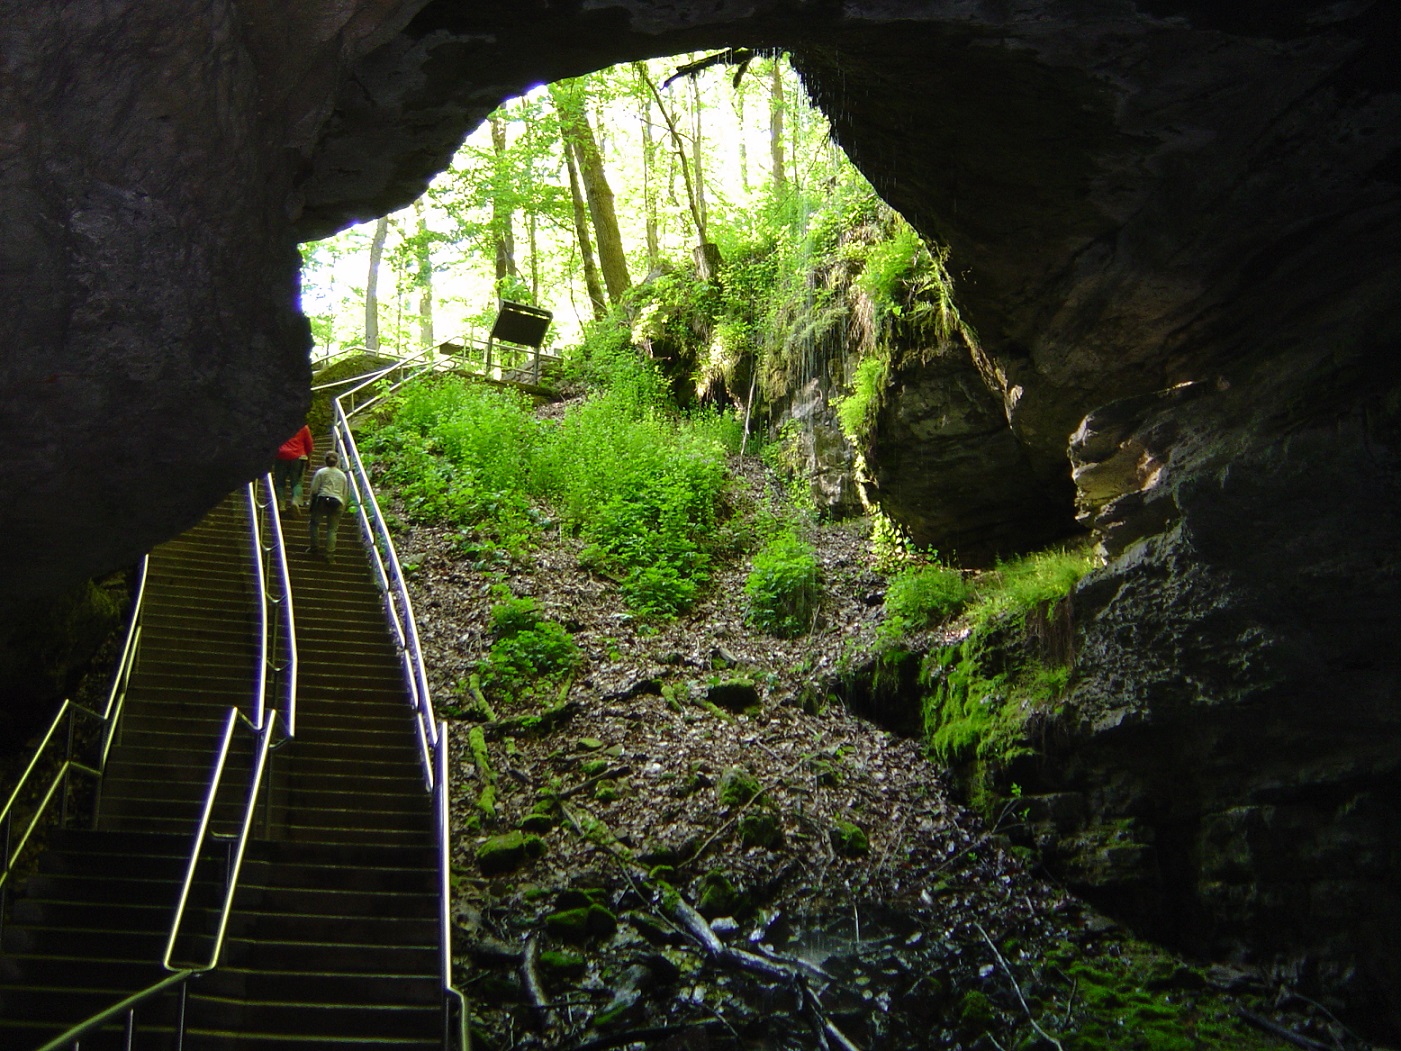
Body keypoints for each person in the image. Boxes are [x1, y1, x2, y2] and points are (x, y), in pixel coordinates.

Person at [307, 451, 351, 562]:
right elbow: (345, 492)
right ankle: (329, 554)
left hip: (322, 499)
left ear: (325, 460)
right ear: (337, 462)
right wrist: (343, 506)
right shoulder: (342, 475)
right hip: (337, 502)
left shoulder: (321, 472)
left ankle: (314, 546)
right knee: (332, 529)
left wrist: (311, 503)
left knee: (314, 523)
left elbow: (314, 489)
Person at [274, 424, 314, 512]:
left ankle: (282, 504)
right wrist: (309, 460)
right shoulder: (303, 427)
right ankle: (295, 501)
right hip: (298, 456)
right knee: (297, 482)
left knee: (279, 482)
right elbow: (309, 445)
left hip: (281, 455)